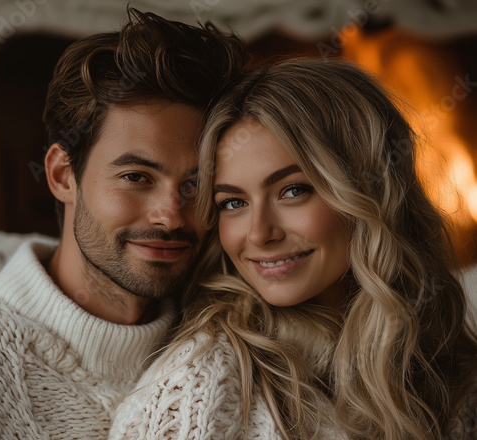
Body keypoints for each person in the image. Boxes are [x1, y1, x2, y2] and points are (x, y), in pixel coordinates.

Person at [109, 59, 477, 440]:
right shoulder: (197, 383)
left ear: (370, 191)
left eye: (292, 191)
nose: (258, 234)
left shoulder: (447, 367)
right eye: (233, 202)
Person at [0, 8, 245, 439]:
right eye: (136, 177)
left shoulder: (232, 346)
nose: (171, 215)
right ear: (63, 175)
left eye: (197, 184)